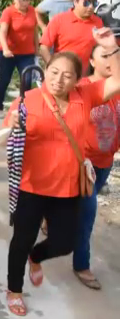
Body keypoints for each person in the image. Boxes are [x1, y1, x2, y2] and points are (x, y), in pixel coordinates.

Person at [3, 27, 120, 316]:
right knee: (21, 240)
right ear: (45, 70)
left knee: (65, 243)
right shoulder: (26, 101)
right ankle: (14, 289)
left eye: (67, 75)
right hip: (32, 186)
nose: (59, 80)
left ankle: (37, 256)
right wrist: (12, 127)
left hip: (68, 188)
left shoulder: (86, 96)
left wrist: (111, 47)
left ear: (77, 79)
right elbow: (4, 136)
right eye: (54, 72)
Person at [73, 44, 120, 290]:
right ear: (91, 60)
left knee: (76, 207)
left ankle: (52, 217)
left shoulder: (118, 89)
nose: (112, 60)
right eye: (105, 56)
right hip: (83, 164)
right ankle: (81, 264)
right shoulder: (82, 89)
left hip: (105, 163)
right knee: (87, 214)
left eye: (115, 55)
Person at [39, 0, 107, 73]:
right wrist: (52, 68)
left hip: (85, 75)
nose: (90, 7)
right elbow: (44, 47)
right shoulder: (59, 20)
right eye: (86, 3)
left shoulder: (98, 22)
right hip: (62, 73)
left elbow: (99, 48)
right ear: (75, 2)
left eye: (94, 3)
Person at [0, 0, 38, 117]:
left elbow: (35, 32)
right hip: (9, 53)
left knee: (27, 80)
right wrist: (6, 49)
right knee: (5, 80)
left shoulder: (32, 11)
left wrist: (37, 49)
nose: (26, 3)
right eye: (23, 0)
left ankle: (23, 108)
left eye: (28, 0)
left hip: (27, 53)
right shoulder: (8, 12)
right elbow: (2, 33)